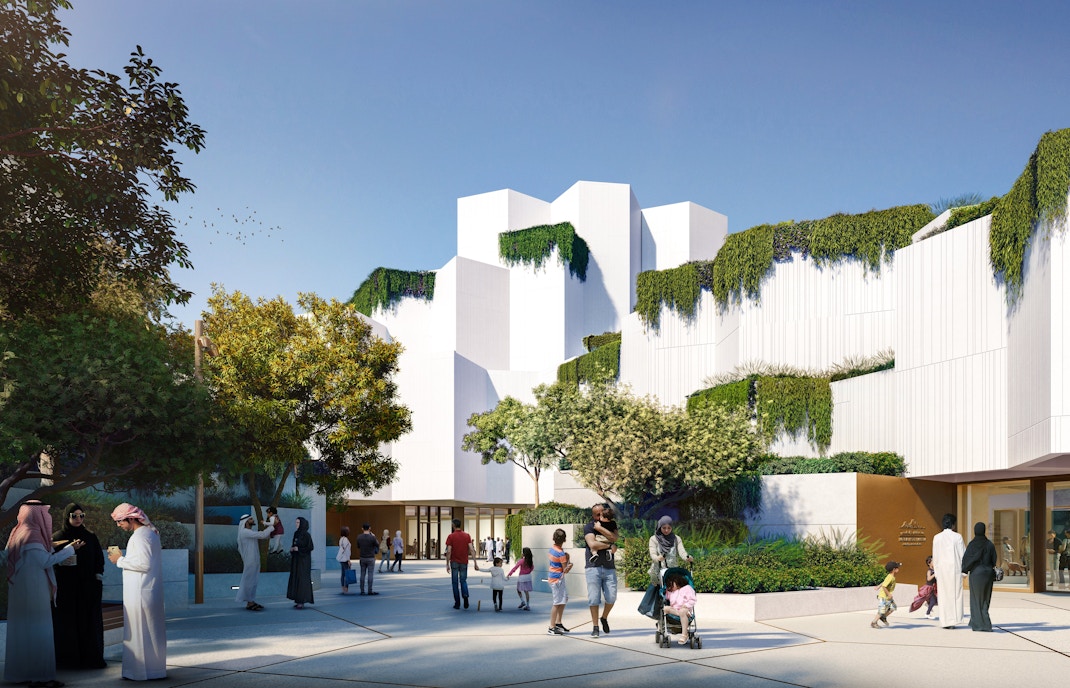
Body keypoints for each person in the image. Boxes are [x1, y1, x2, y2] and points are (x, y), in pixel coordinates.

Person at [5, 501, 81, 687]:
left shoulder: (18, 533)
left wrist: (53, 546)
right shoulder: (32, 534)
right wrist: (71, 549)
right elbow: (45, 561)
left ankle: (21, 674)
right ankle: (41, 677)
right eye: (43, 513)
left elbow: (31, 555)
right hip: (34, 591)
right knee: (40, 632)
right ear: (36, 515)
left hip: (20, 592)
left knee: (23, 633)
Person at [108, 502, 166, 680]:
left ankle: (139, 673)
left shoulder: (141, 536)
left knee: (140, 634)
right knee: (149, 634)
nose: (119, 525)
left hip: (140, 594)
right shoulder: (149, 533)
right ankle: (153, 671)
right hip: (146, 592)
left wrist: (119, 560)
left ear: (132, 518)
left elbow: (143, 564)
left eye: (120, 521)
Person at [52, 502, 107, 669]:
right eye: (74, 516)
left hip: (88, 587)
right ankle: (68, 660)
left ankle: (90, 659)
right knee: (67, 623)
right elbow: (49, 560)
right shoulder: (57, 537)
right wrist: (60, 564)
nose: (78, 519)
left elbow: (99, 558)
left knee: (88, 622)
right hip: (66, 588)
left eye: (81, 516)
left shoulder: (90, 536)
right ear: (66, 517)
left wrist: (97, 578)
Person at [584, 502, 619, 638]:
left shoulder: (610, 524)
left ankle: (604, 617)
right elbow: (592, 543)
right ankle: (595, 626)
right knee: (594, 599)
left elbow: (615, 537)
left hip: (609, 567)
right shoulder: (589, 527)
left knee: (611, 597)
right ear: (593, 515)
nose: (599, 516)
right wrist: (610, 544)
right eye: (597, 514)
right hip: (593, 568)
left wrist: (608, 538)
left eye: (601, 513)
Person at [931, 512, 966, 628]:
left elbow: (935, 556)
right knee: (955, 595)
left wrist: (936, 571)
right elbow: (963, 555)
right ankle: (954, 620)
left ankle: (945, 621)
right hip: (955, 570)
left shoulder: (937, 537)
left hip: (941, 570)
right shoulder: (957, 537)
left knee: (943, 595)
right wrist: (964, 571)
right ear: (953, 524)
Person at [962, 522, 997, 632]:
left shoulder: (972, 544)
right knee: (985, 599)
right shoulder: (989, 544)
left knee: (976, 599)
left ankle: (981, 625)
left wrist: (964, 570)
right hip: (988, 574)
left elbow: (966, 560)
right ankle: (977, 621)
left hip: (976, 574)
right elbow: (994, 560)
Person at [236, 514, 272, 610]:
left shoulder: (249, 532)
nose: (253, 520)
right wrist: (272, 526)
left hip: (254, 560)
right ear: (246, 521)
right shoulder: (244, 532)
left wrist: (270, 533)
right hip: (250, 561)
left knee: (253, 581)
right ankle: (250, 602)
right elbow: (262, 534)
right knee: (249, 581)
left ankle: (250, 601)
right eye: (251, 519)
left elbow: (263, 536)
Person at [647, 515, 693, 585]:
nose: (666, 530)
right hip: (658, 572)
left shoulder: (676, 539)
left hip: (672, 571)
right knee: (657, 593)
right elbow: (652, 554)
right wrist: (657, 558)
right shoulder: (654, 539)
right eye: (664, 528)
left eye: (669, 528)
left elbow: (682, 551)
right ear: (660, 527)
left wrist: (687, 557)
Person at [444, 518, 476, 609]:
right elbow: (471, 549)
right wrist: (475, 562)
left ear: (453, 525)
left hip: (454, 561)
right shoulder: (467, 536)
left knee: (455, 582)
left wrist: (447, 563)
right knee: (463, 580)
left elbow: (449, 551)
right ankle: (465, 596)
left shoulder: (451, 536)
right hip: (464, 562)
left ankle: (457, 603)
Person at [547, 528, 572, 635]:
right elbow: (565, 569)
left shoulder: (551, 549)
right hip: (558, 579)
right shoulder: (561, 553)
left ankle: (558, 622)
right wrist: (570, 563)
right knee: (557, 602)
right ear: (564, 540)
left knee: (564, 599)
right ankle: (551, 627)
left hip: (553, 577)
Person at [286, 516, 314, 609]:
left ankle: (302, 600)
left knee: (302, 579)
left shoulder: (306, 535)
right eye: (296, 522)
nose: (296, 524)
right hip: (296, 560)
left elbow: (310, 547)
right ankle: (297, 599)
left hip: (304, 561)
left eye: (298, 522)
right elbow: (294, 544)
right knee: (296, 578)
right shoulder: (296, 534)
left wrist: (299, 549)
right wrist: (292, 549)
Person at [663, 571, 697, 645]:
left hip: (685, 609)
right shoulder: (671, 591)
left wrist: (687, 605)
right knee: (665, 608)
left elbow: (692, 599)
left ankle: (684, 635)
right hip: (675, 610)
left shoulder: (687, 588)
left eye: (672, 584)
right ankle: (661, 626)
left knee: (682, 611)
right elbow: (665, 598)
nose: (671, 587)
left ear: (678, 582)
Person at [870, 560, 901, 628]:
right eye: (897, 568)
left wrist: (878, 586)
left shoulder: (891, 577)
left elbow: (884, 582)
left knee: (893, 607)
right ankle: (874, 622)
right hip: (884, 596)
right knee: (881, 610)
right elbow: (884, 586)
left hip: (887, 596)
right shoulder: (890, 577)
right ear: (894, 569)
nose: (899, 569)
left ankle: (883, 617)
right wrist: (888, 594)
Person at [356, 523, 380, 595]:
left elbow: (358, 546)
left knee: (362, 574)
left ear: (362, 528)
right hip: (370, 558)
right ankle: (370, 590)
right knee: (370, 574)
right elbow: (377, 544)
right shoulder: (372, 537)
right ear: (370, 528)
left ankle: (362, 590)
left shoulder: (359, 537)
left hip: (362, 557)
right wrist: (374, 536)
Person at [336, 526, 353, 594]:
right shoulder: (346, 540)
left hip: (341, 558)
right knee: (347, 574)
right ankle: (346, 588)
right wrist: (348, 560)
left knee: (343, 574)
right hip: (345, 559)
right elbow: (347, 551)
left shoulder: (341, 539)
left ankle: (343, 587)